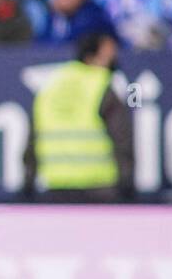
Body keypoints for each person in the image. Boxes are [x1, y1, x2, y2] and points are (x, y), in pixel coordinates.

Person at [22, 31, 133, 203]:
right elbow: (122, 138)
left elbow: (32, 140)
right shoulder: (102, 84)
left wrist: (28, 182)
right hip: (99, 186)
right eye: (108, 56)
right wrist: (127, 181)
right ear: (90, 57)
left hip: (56, 185)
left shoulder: (50, 85)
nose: (114, 63)